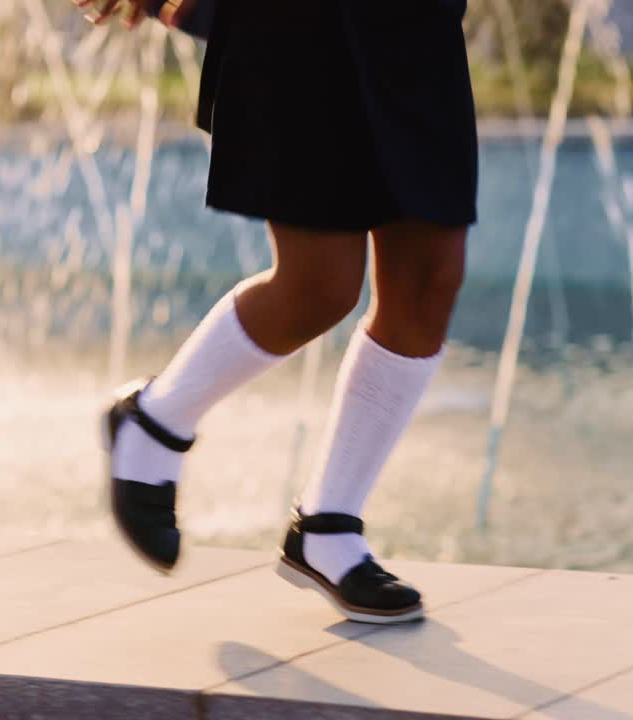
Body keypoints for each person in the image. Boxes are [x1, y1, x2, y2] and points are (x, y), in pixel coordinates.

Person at [83, 0, 478, 624]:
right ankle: (157, 419)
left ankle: (327, 525)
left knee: (429, 279)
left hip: (414, 25)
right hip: (298, 22)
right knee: (320, 285)